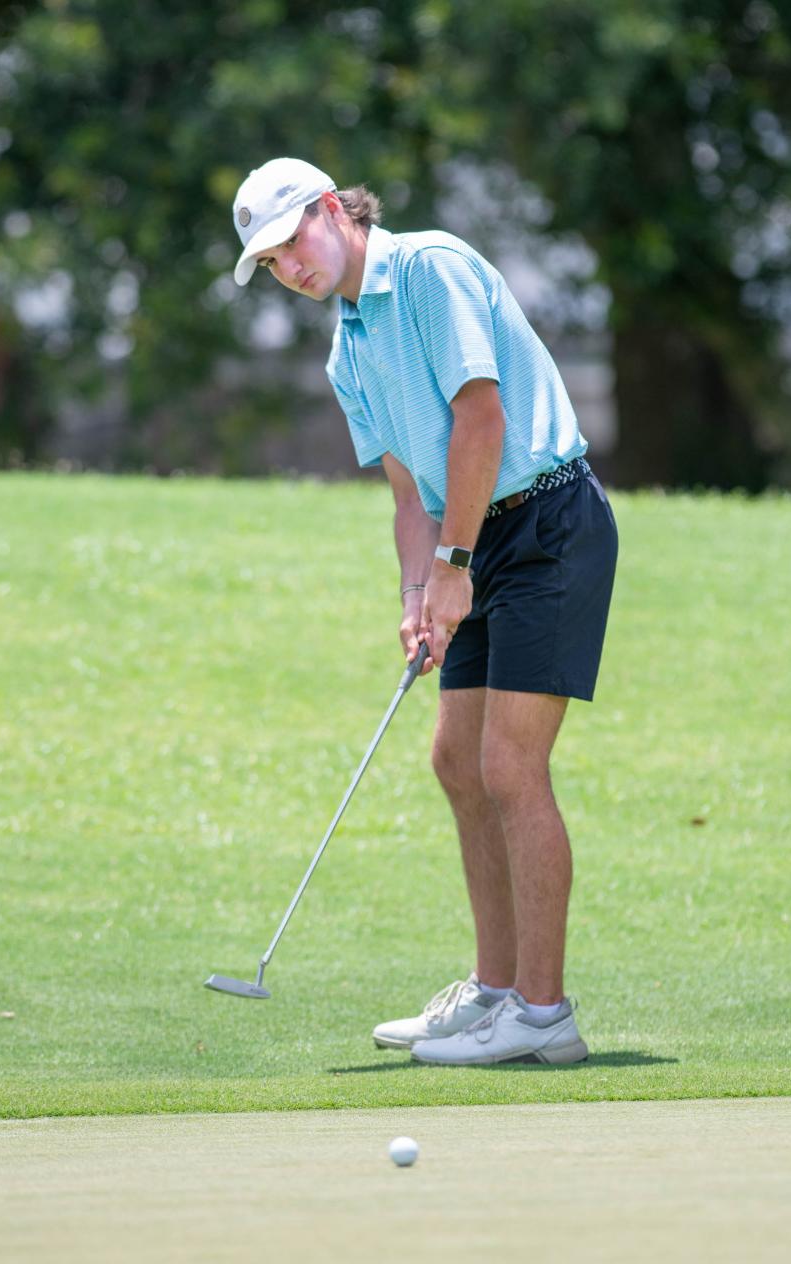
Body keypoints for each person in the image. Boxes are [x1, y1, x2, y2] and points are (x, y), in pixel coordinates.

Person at [231, 157, 618, 1065]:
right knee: (456, 760)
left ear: (333, 210)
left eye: (293, 242)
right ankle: (493, 994)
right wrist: (419, 597)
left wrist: (453, 567)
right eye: (273, 262)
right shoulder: (347, 347)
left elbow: (480, 423)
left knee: (509, 766)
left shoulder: (431, 268)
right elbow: (409, 495)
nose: (291, 267)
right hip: (471, 539)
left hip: (549, 522)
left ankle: (544, 1013)